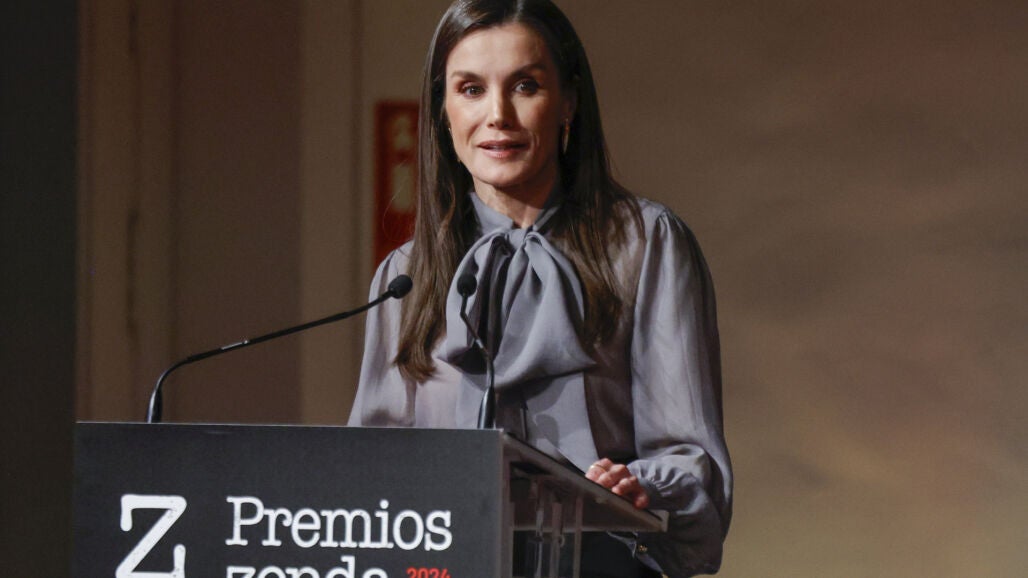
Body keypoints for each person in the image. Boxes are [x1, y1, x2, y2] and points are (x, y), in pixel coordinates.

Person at [349, 0, 731, 575]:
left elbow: (689, 454)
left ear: (569, 100)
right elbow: (369, 475)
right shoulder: (406, 275)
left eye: (525, 86)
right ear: (443, 110)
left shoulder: (646, 245)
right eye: (471, 89)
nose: (497, 115)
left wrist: (638, 486)